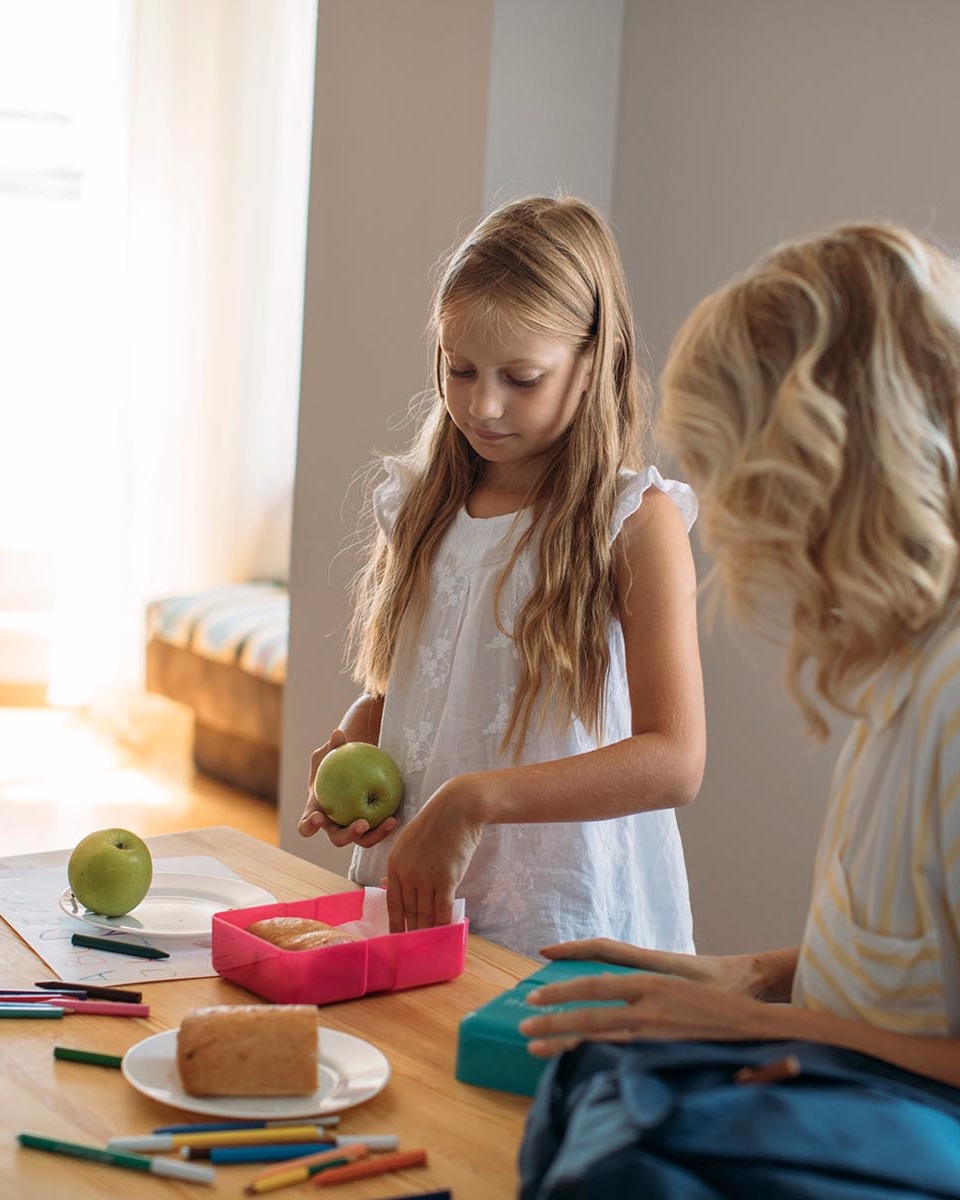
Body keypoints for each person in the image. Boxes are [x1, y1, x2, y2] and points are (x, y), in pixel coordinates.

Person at [519, 221, 960, 1088]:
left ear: (828, 470)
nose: (719, 524)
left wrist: (756, 1029)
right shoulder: (903, 667)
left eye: (733, 475)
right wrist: (756, 977)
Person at [298, 195, 706, 958]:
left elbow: (675, 760)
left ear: (593, 363)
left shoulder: (632, 523)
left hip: (563, 919)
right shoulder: (423, 504)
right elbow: (428, 686)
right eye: (460, 369)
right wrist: (361, 730)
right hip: (420, 900)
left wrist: (475, 799)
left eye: (522, 378)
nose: (483, 405)